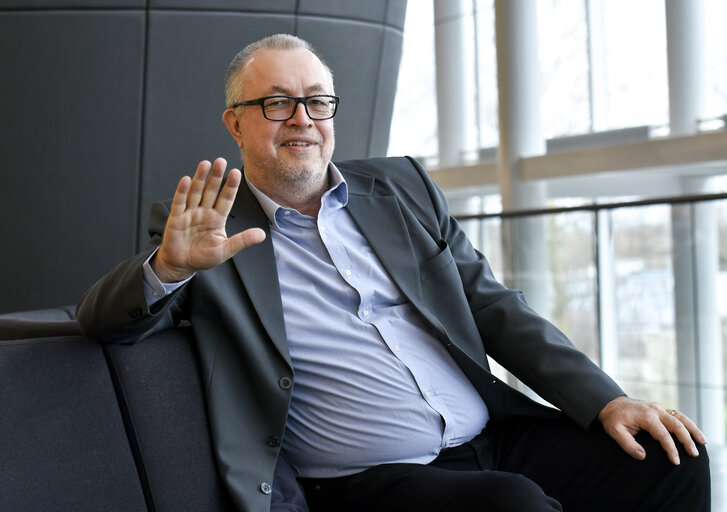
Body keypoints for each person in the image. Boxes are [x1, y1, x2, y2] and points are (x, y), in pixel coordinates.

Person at [77, 33, 710, 512]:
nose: (302, 118)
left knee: (670, 456)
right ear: (235, 122)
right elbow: (102, 321)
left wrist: (608, 401)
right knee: (510, 505)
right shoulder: (206, 227)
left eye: (317, 101)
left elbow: (493, 307)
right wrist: (167, 268)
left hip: (492, 437)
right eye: (277, 103)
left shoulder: (401, 187)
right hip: (365, 481)